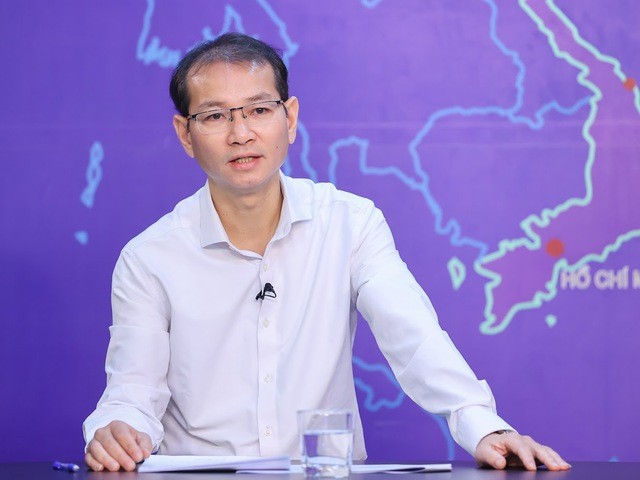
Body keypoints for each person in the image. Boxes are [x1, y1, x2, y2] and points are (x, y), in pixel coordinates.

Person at [83, 32, 570, 473]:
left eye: (259, 110)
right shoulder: (149, 258)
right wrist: (117, 431)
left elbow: (413, 336)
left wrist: (481, 424)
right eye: (214, 116)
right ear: (185, 134)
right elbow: (132, 392)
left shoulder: (350, 224)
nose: (241, 133)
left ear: (290, 118)